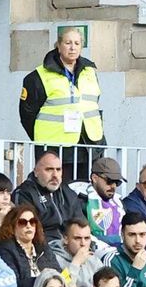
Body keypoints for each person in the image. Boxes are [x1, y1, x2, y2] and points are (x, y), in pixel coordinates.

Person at [18, 26, 106, 178]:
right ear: (58, 46)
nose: (73, 48)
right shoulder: (38, 76)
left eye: (77, 43)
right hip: (56, 147)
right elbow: (27, 114)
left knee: (86, 192)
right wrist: (43, 138)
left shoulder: (90, 72)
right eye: (68, 43)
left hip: (90, 144)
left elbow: (92, 104)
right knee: (60, 193)